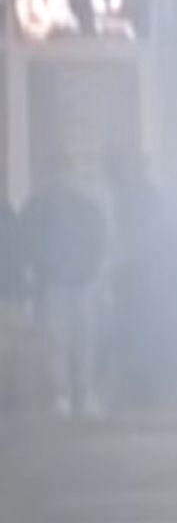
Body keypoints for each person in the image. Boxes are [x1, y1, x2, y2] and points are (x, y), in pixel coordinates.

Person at [24, 159, 111, 422]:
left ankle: (83, 392)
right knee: (58, 339)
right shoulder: (40, 208)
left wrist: (94, 270)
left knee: (83, 339)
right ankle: (62, 394)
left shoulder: (84, 208)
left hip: (82, 281)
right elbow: (30, 242)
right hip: (57, 282)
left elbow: (100, 239)